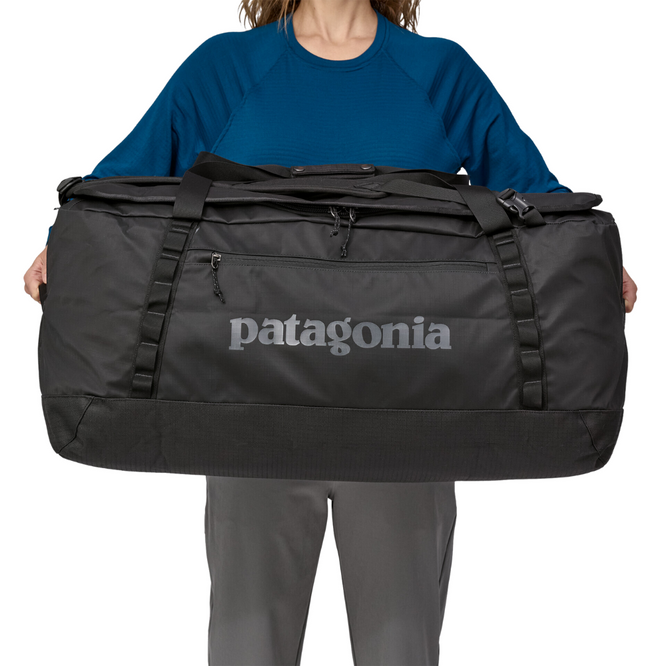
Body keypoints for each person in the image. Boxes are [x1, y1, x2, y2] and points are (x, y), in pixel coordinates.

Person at [23, 1, 638, 664]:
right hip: (248, 409)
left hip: (410, 415)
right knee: (247, 649)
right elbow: (121, 186)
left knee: (400, 650)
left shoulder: (439, 69)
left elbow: (535, 198)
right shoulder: (226, 66)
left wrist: (595, 266)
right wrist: (61, 243)